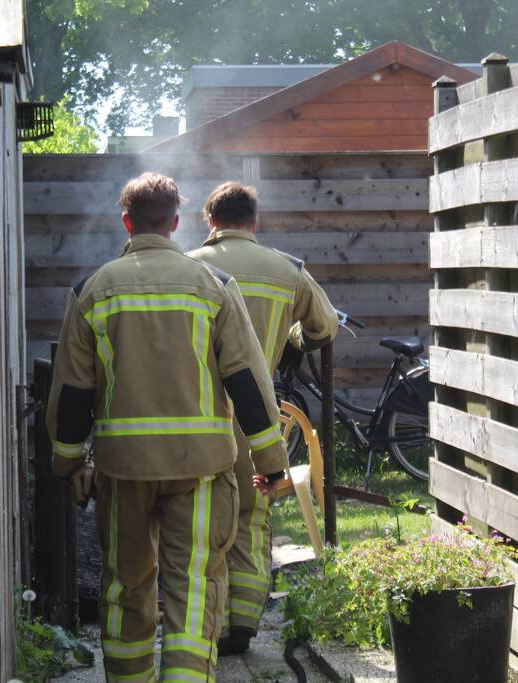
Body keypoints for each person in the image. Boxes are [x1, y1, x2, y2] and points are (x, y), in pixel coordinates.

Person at [46, 173, 290, 683]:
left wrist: (68, 462)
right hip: (200, 471)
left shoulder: (92, 291)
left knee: (126, 587)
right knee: (194, 587)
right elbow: (247, 382)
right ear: (176, 223)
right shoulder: (213, 287)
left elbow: (72, 391)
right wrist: (270, 463)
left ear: (127, 222)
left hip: (123, 472)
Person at [186, 181, 338, 654]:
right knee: (252, 517)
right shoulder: (287, 270)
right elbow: (324, 327)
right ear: (254, 222)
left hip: (200, 417)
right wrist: (292, 341)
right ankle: (243, 625)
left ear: (210, 221)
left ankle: (206, 625)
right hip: (259, 418)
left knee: (202, 520)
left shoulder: (189, 267)